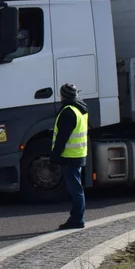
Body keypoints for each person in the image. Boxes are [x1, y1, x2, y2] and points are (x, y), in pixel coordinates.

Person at [51, 82, 88, 229]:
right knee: (76, 188)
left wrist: (55, 155)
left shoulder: (68, 111)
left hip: (70, 155)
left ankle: (77, 219)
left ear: (63, 95)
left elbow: (62, 137)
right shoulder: (80, 108)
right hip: (78, 153)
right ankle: (77, 217)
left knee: (75, 189)